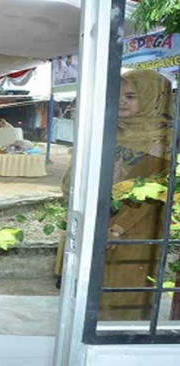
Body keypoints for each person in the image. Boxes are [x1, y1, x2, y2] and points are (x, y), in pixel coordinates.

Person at [100, 69, 174, 320]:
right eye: (119, 95)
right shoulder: (112, 129)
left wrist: (117, 227)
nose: (121, 101)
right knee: (96, 292)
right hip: (103, 219)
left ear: (153, 98)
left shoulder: (163, 138)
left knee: (125, 290)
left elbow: (153, 190)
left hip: (136, 229)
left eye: (131, 96)